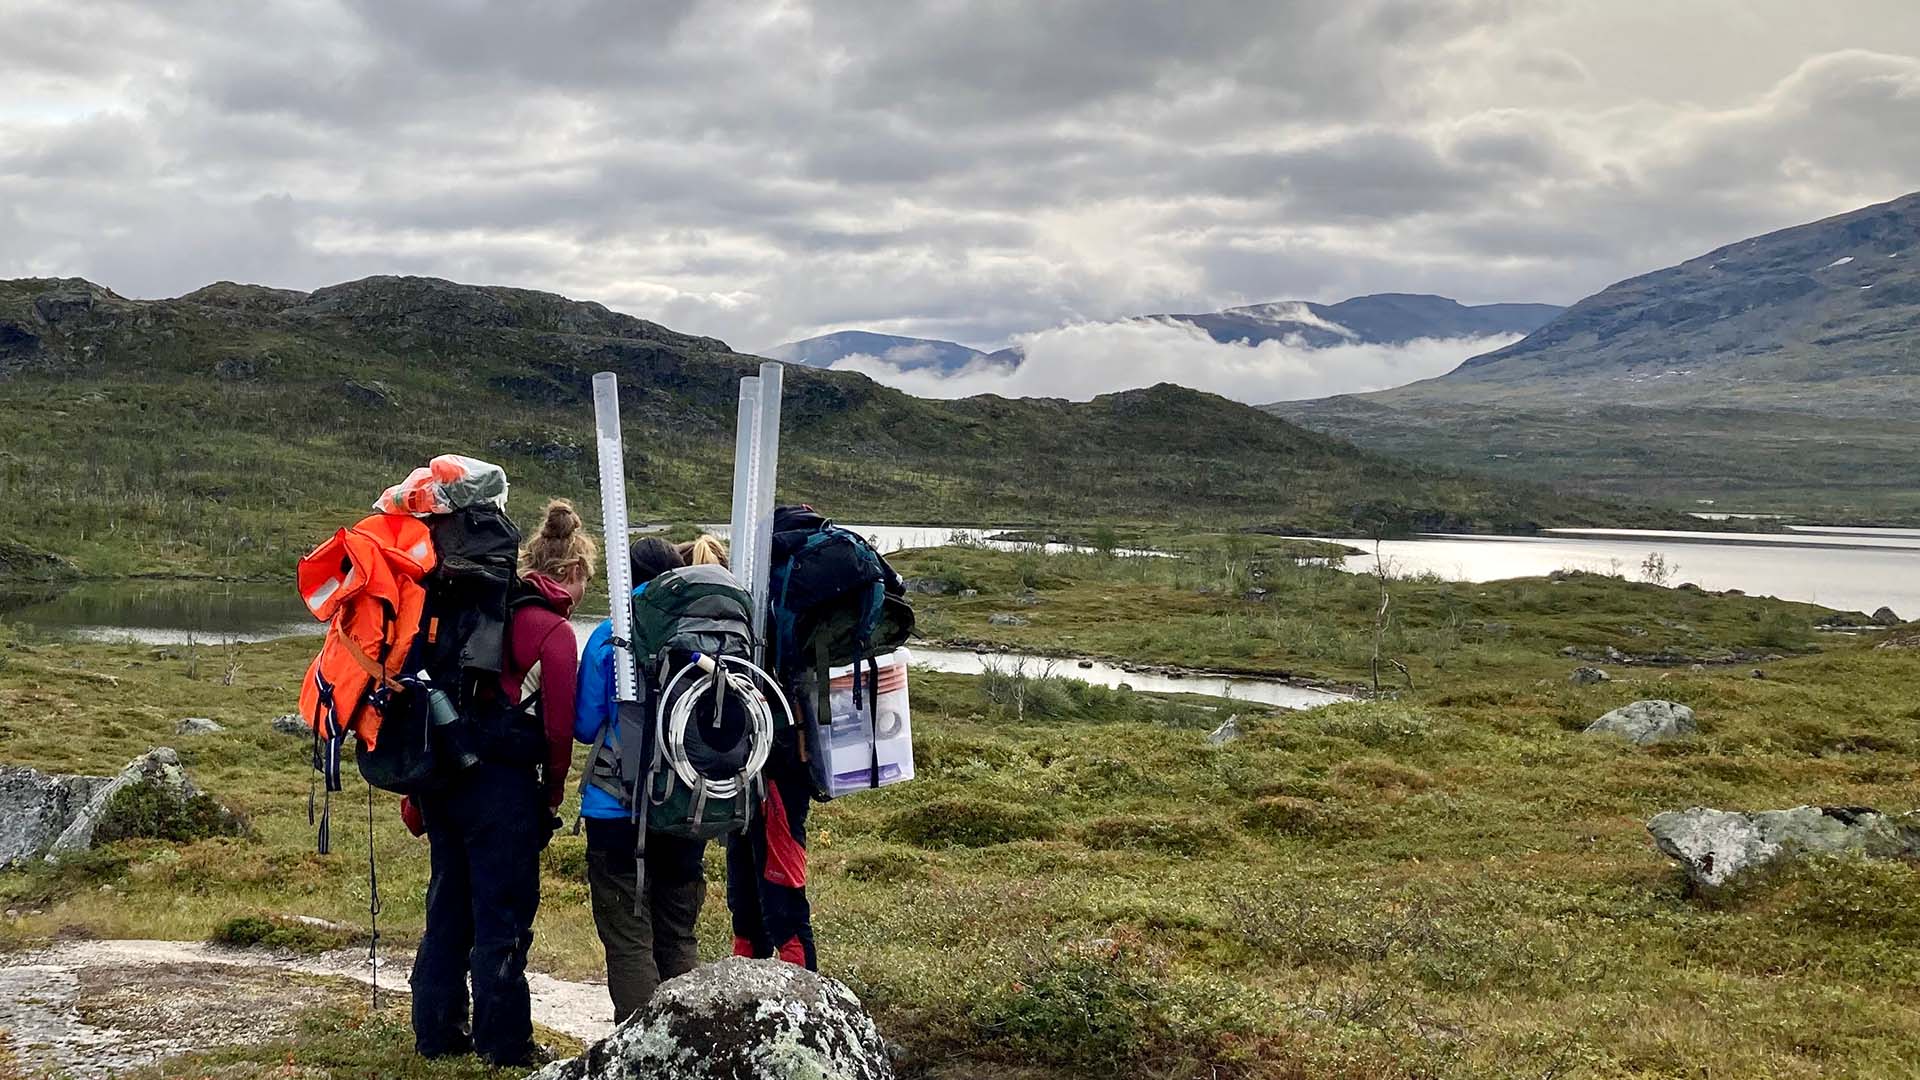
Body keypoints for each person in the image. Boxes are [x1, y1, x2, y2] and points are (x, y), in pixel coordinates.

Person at [407, 499, 593, 1065]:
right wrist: (552, 794)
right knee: (503, 915)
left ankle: (437, 1032)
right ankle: (505, 1044)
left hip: (445, 779)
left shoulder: (467, 608)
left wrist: (418, 791)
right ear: (573, 570)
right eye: (585, 581)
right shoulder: (552, 630)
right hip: (504, 791)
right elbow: (558, 731)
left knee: (447, 906)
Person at [573, 537, 709, 1023]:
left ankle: (641, 1049)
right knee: (678, 934)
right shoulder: (702, 636)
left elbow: (585, 724)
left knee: (630, 939)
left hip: (616, 807)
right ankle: (687, 1044)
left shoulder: (609, 634)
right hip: (687, 802)